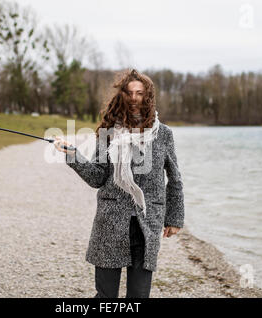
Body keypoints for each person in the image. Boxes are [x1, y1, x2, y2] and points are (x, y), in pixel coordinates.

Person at [53, 69, 184, 298]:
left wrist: (174, 218)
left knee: (139, 296)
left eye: (140, 93)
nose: (134, 98)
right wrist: (73, 155)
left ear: (148, 97)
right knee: (105, 296)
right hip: (111, 222)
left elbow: (175, 178)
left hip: (147, 224)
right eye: (129, 93)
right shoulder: (108, 131)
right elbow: (97, 177)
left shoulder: (163, 134)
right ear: (122, 95)